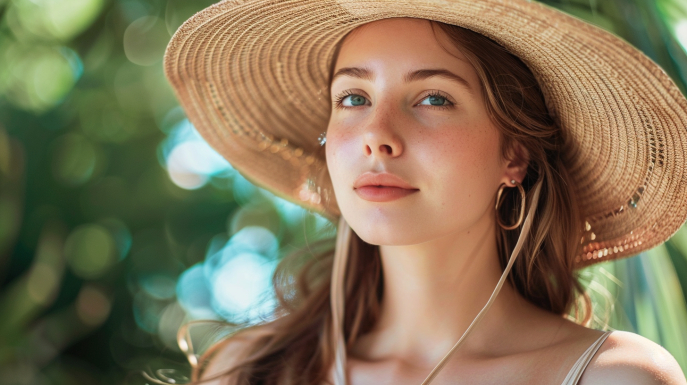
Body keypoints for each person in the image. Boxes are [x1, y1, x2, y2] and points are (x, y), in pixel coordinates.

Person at [162, 0, 687, 384]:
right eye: (353, 97)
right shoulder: (247, 372)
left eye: (434, 98)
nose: (376, 136)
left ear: (515, 155)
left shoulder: (611, 378)